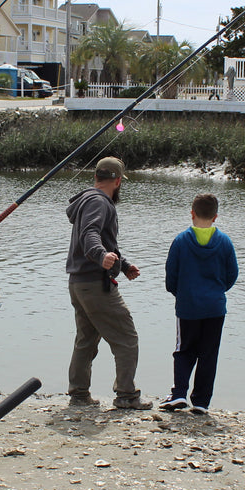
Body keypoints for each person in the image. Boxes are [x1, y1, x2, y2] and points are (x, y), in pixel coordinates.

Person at [65, 156, 152, 411]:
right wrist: (102, 257)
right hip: (94, 285)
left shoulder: (87, 200)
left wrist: (122, 265)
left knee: (86, 339)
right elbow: (90, 234)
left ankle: (79, 395)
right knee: (126, 336)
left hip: (78, 283)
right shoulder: (99, 202)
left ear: (96, 177)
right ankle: (126, 395)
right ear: (116, 181)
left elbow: (101, 239)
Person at [162, 193, 238, 413]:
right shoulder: (224, 242)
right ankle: (202, 401)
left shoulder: (180, 240)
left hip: (188, 307)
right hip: (215, 307)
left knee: (184, 349)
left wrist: (181, 293)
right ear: (215, 217)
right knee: (209, 353)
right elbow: (232, 273)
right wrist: (216, 291)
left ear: (192, 213)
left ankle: (178, 394)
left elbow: (171, 276)